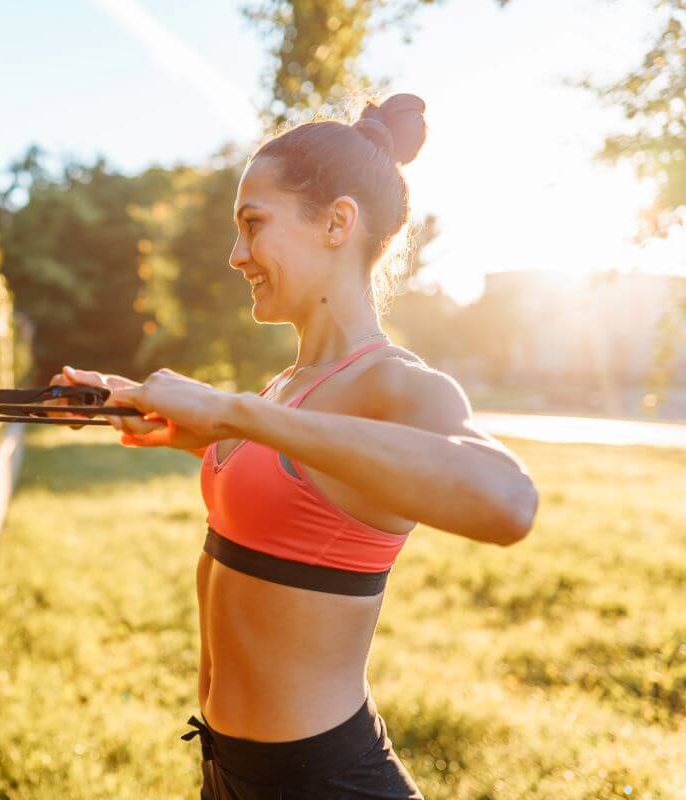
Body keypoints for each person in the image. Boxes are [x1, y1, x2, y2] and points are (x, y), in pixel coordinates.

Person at [48, 94, 539, 799]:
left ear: (338, 222)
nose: (236, 254)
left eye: (254, 225)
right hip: (226, 769)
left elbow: (509, 502)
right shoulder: (286, 388)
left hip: (324, 783)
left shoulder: (394, 385)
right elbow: (300, 497)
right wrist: (148, 408)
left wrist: (233, 413)